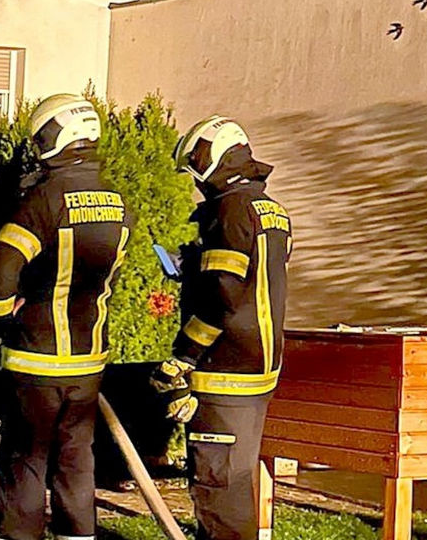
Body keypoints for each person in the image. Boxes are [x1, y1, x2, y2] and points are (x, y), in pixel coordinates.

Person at [0, 94, 132, 540]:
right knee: (76, 458)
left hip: (36, 357)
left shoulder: (44, 199)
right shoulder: (117, 200)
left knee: (26, 459)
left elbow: (6, 261)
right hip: (88, 359)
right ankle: (77, 535)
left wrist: (0, 316)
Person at [152, 116, 289, 540]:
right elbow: (253, 280)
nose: (196, 182)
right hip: (260, 367)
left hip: (225, 371)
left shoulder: (229, 212)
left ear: (212, 159)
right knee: (237, 476)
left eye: (196, 168)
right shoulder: (271, 210)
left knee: (218, 485)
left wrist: (182, 358)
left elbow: (222, 300)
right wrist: (197, 266)